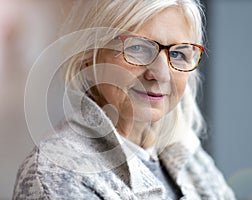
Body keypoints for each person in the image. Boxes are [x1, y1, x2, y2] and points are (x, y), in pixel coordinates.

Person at [13, 0, 236, 199]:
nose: (160, 74)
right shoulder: (59, 171)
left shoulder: (188, 157)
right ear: (90, 57)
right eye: (137, 48)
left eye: (177, 54)